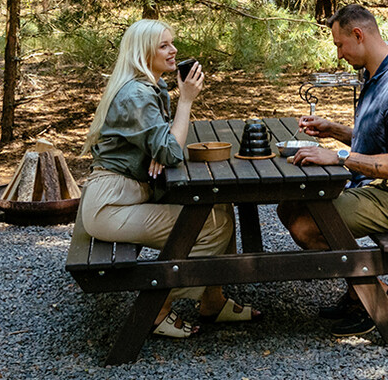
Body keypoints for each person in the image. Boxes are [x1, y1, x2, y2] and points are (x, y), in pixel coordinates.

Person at [70, 18, 259, 338]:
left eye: (172, 43)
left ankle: (212, 300)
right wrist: (186, 101)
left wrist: (162, 145)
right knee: (212, 226)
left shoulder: (152, 87)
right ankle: (156, 305)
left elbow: (166, 146)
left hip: (129, 193)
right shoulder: (136, 95)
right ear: (144, 52)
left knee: (220, 207)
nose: (174, 51)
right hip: (111, 205)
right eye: (164, 45)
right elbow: (172, 152)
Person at [283, 4, 388, 337]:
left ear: (358, 35)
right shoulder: (377, 74)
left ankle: (374, 295)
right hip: (381, 188)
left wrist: (339, 157)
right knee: (290, 207)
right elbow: (378, 140)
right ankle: (359, 292)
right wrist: (333, 129)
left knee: (307, 223)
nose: (338, 54)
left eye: (340, 45)